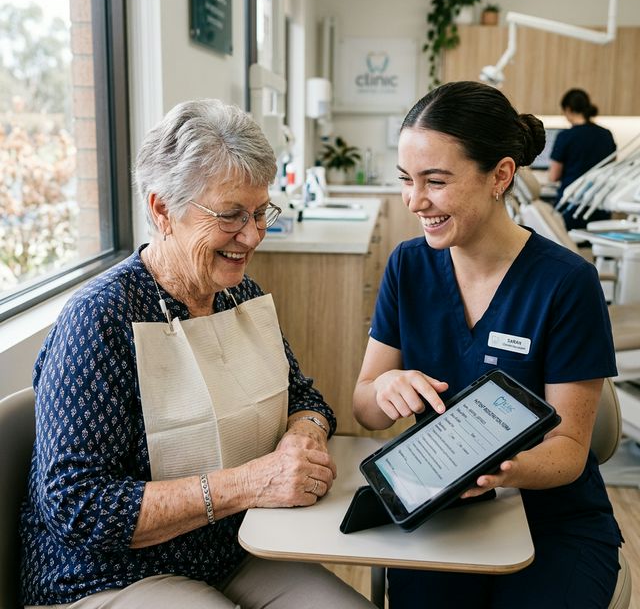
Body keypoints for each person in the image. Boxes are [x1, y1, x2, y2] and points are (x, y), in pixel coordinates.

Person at [19, 99, 374, 609]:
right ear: (163, 209)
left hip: (230, 550)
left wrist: (303, 437)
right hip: (109, 575)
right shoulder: (100, 319)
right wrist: (250, 484)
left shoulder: (240, 294)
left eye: (259, 213)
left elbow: (305, 395)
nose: (252, 236)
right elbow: (77, 506)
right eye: (231, 215)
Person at [353, 81, 622, 609]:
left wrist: (505, 470)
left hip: (554, 521)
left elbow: (569, 451)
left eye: (435, 181)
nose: (415, 201)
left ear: (500, 175)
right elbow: (366, 409)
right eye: (407, 180)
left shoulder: (566, 283)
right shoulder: (408, 266)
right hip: (443, 509)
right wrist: (386, 384)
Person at [549, 88, 616, 230]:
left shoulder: (565, 136)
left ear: (568, 109)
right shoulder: (606, 134)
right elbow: (612, 167)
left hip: (571, 209)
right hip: (599, 209)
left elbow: (554, 176)